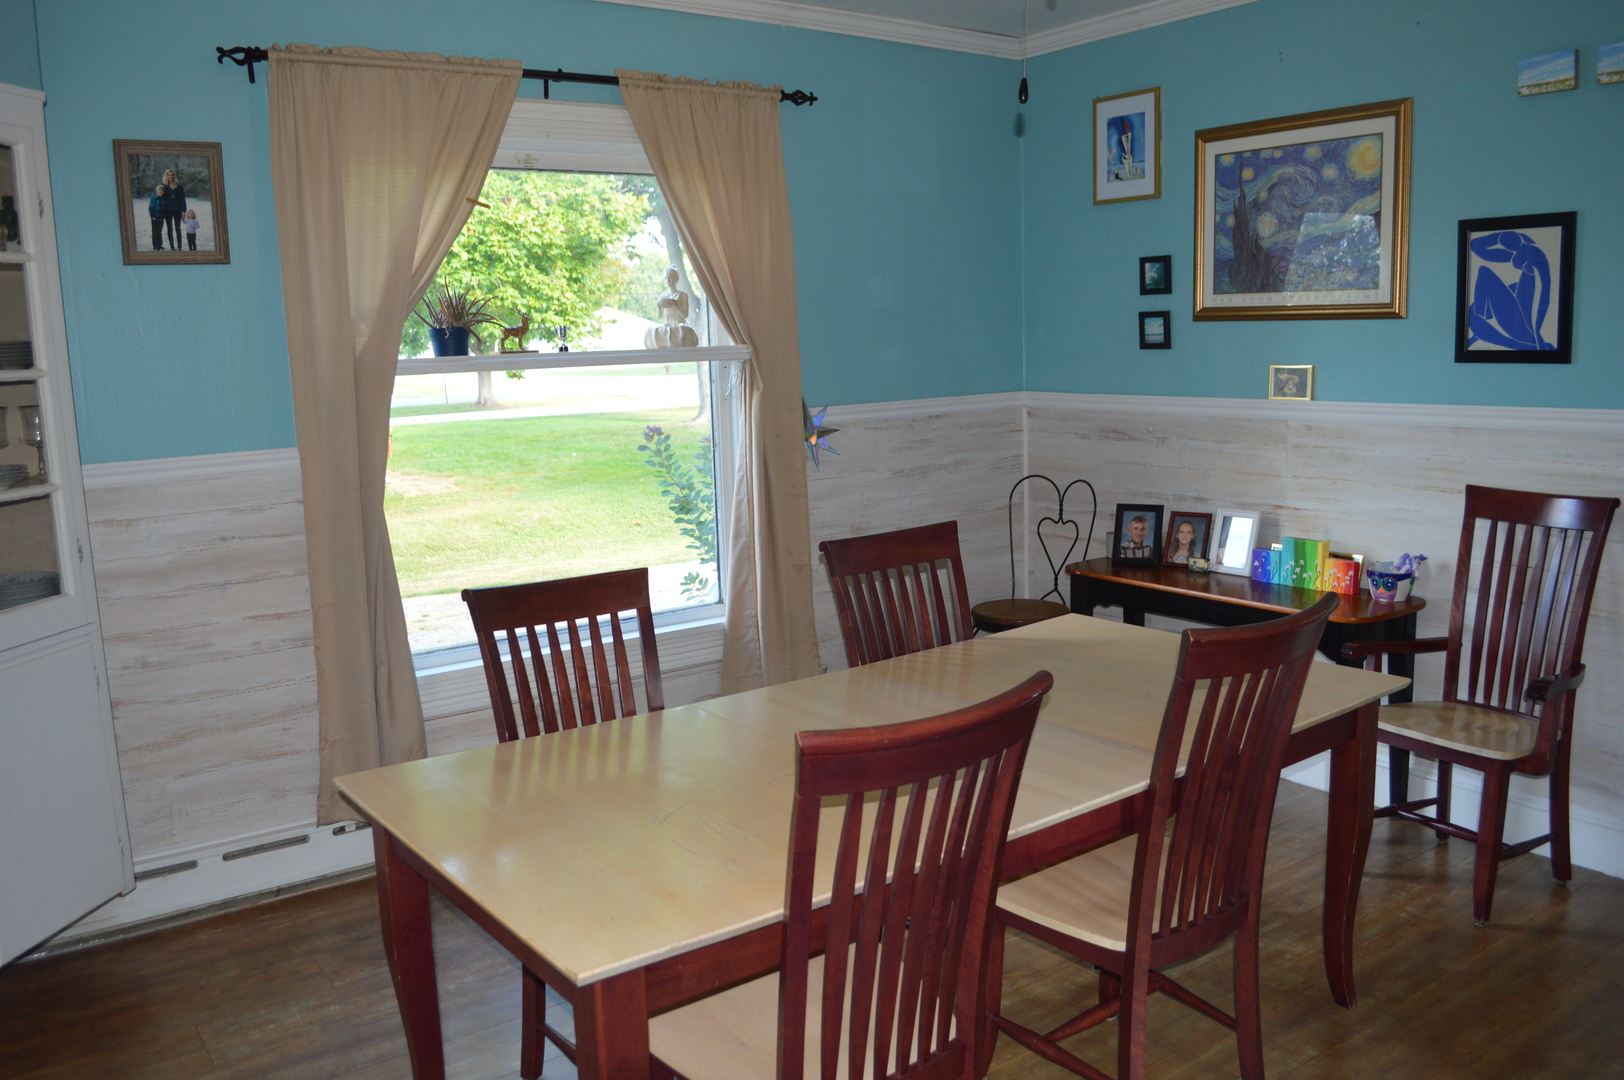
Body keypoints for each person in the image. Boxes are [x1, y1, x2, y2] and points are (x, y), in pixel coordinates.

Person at [160, 168, 187, 254]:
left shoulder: (179, 187)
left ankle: (179, 246)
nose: (170, 176)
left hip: (177, 210)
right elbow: (160, 199)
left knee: (178, 229)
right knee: (169, 229)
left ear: (174, 176)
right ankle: (172, 247)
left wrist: (183, 211)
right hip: (167, 210)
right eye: (168, 175)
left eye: (172, 175)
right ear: (166, 176)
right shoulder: (163, 187)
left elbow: (182, 199)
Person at [147, 184, 166, 250]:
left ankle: (160, 244)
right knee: (155, 232)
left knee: (159, 232)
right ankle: (155, 245)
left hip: (161, 218)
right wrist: (152, 216)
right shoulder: (154, 199)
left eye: (162, 191)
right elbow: (150, 208)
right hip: (155, 218)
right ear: (156, 191)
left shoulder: (164, 199)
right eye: (159, 190)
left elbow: (165, 209)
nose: (161, 192)